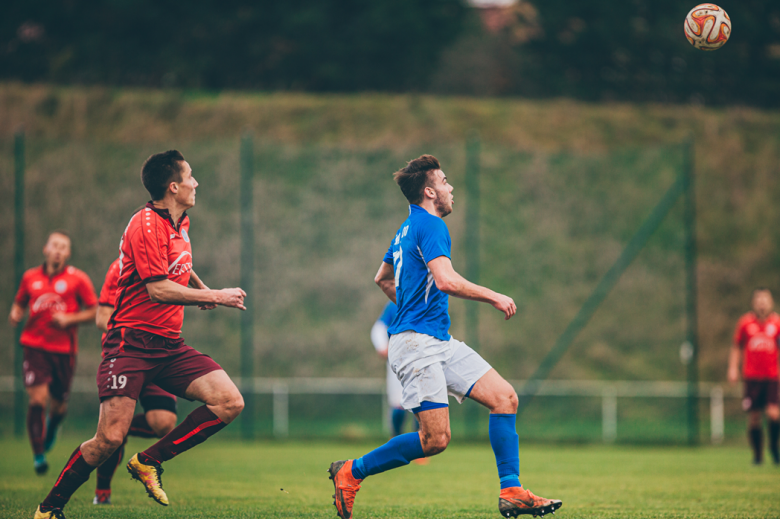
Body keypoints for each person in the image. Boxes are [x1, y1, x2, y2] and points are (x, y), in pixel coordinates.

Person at [329, 155, 562, 519]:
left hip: (436, 339)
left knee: (505, 398)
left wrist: (411, 308)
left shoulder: (405, 229)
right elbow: (446, 281)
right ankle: (351, 472)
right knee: (434, 441)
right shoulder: (432, 225)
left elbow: (382, 279)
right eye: (445, 181)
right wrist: (494, 295)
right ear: (429, 191)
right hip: (417, 344)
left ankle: (512, 490)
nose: (451, 188)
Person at [33, 150, 247, 519]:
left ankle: (148, 461)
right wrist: (215, 295)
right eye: (191, 177)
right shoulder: (145, 223)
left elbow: (179, 265)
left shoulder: (181, 223)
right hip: (129, 345)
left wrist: (201, 287)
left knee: (229, 402)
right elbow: (158, 289)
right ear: (173, 186)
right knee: (109, 440)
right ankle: (49, 509)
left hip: (169, 346)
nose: (197, 183)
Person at [91, 258, 211, 504]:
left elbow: (183, 264)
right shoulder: (120, 267)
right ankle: (102, 491)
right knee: (113, 434)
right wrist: (131, 326)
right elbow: (102, 316)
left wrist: (202, 289)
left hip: (159, 354)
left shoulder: (170, 258)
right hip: (126, 354)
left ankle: (128, 441)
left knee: (164, 423)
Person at [9, 231, 98, 476]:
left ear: (68, 253)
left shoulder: (78, 279)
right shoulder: (30, 277)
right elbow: (19, 302)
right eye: (54, 245)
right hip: (35, 346)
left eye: (63, 247)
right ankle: (38, 455)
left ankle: (51, 428)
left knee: (59, 408)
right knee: (37, 399)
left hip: (64, 351)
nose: (58, 250)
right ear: (46, 249)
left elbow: (95, 311)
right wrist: (16, 312)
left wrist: (70, 318)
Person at [728, 287, 780, 465]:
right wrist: (733, 368)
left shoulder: (777, 323)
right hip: (751, 377)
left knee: (774, 414)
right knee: (754, 417)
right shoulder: (745, 323)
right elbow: (736, 346)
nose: (762, 303)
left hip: (772, 377)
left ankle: (774, 448)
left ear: (771, 302)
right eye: (759, 300)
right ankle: (757, 456)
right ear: (754, 303)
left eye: (765, 299)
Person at [370, 302, 422, 440]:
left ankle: (421, 444)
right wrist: (382, 346)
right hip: (398, 361)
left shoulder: (427, 300)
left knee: (422, 402)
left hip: (422, 360)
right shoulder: (395, 303)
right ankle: (395, 440)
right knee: (399, 403)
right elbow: (379, 327)